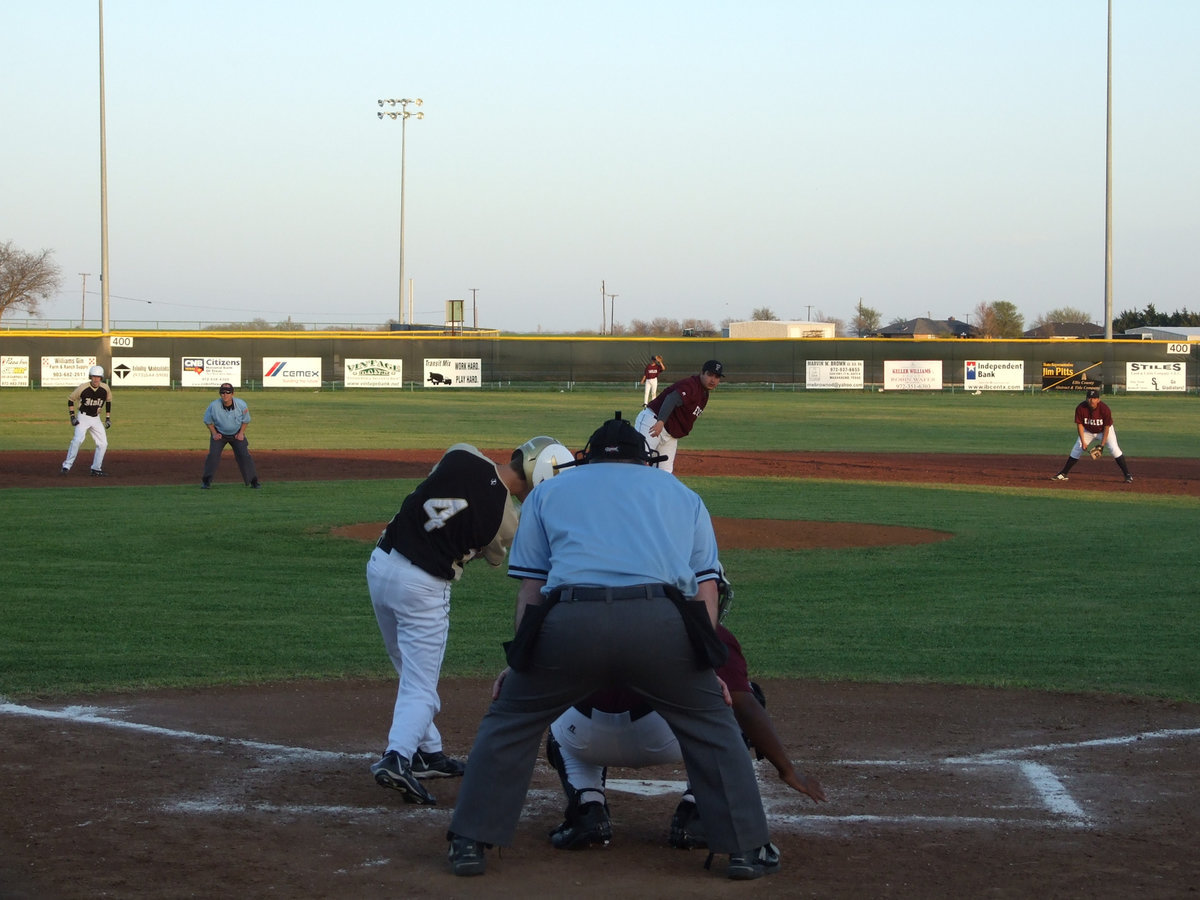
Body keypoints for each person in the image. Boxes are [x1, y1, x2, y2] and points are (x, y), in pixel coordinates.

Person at [446, 413, 782, 881]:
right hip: (659, 622)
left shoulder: (548, 493)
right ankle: (746, 848)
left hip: (570, 620)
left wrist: (521, 662)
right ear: (644, 459)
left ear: (587, 458)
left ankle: (469, 842)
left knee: (511, 718)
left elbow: (532, 592)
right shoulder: (683, 496)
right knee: (713, 724)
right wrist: (709, 669)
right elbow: (705, 591)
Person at [545, 581, 826, 853]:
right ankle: (697, 813)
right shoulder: (707, 631)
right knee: (734, 697)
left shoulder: (580, 618)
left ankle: (586, 806)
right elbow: (746, 707)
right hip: (665, 736)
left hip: (582, 736)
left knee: (559, 705)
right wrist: (787, 769)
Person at [367, 436, 571, 805]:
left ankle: (429, 753)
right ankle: (397, 757)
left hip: (381, 565)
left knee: (407, 667)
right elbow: (494, 557)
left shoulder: (462, 453)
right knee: (421, 685)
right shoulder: (506, 522)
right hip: (423, 587)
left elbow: (441, 479)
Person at [634, 359, 725, 475]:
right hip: (653, 422)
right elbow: (671, 399)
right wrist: (661, 421)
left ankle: (661, 494)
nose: (713, 380)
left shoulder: (704, 394)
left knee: (666, 474)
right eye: (710, 375)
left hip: (670, 434)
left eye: (717, 377)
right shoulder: (691, 385)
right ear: (702, 373)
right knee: (640, 464)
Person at [1052, 389, 1134, 484]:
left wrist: (1102, 445)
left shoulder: (1105, 409)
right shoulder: (1081, 408)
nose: (1092, 400)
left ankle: (1127, 475)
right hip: (1088, 430)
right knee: (1077, 448)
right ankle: (1063, 473)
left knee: (1114, 449)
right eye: (1090, 398)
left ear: (1098, 400)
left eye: (1094, 398)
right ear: (1086, 399)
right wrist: (1083, 442)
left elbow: (1107, 427)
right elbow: (1080, 425)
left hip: (1103, 431)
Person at [201, 383, 260, 489]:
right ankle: (206, 482)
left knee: (244, 455)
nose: (225, 395)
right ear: (220, 394)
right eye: (222, 392)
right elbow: (207, 421)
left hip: (237, 434)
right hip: (220, 434)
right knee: (213, 456)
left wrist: (241, 433)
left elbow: (246, 420)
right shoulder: (213, 406)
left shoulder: (241, 404)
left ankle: (253, 481)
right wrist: (214, 433)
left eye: (228, 392)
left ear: (232, 393)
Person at [61, 365, 112, 477]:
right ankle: (66, 466)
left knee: (103, 443)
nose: (96, 379)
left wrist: (107, 418)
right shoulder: (83, 388)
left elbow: (108, 401)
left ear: (101, 378)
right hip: (83, 417)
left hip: (96, 418)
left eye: (98, 377)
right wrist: (72, 417)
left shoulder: (105, 388)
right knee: (77, 440)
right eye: (94, 376)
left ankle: (96, 468)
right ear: (90, 377)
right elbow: (70, 399)